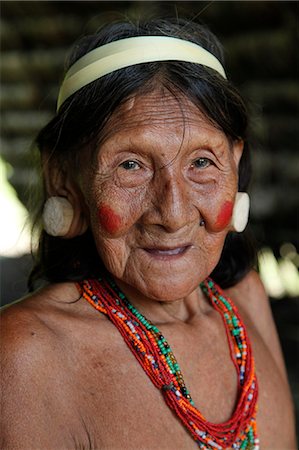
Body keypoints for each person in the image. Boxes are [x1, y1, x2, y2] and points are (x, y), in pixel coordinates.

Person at [1, 17, 296, 449]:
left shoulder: (247, 301)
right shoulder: (28, 357)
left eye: (201, 162)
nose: (172, 214)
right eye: (131, 165)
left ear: (235, 163)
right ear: (64, 177)